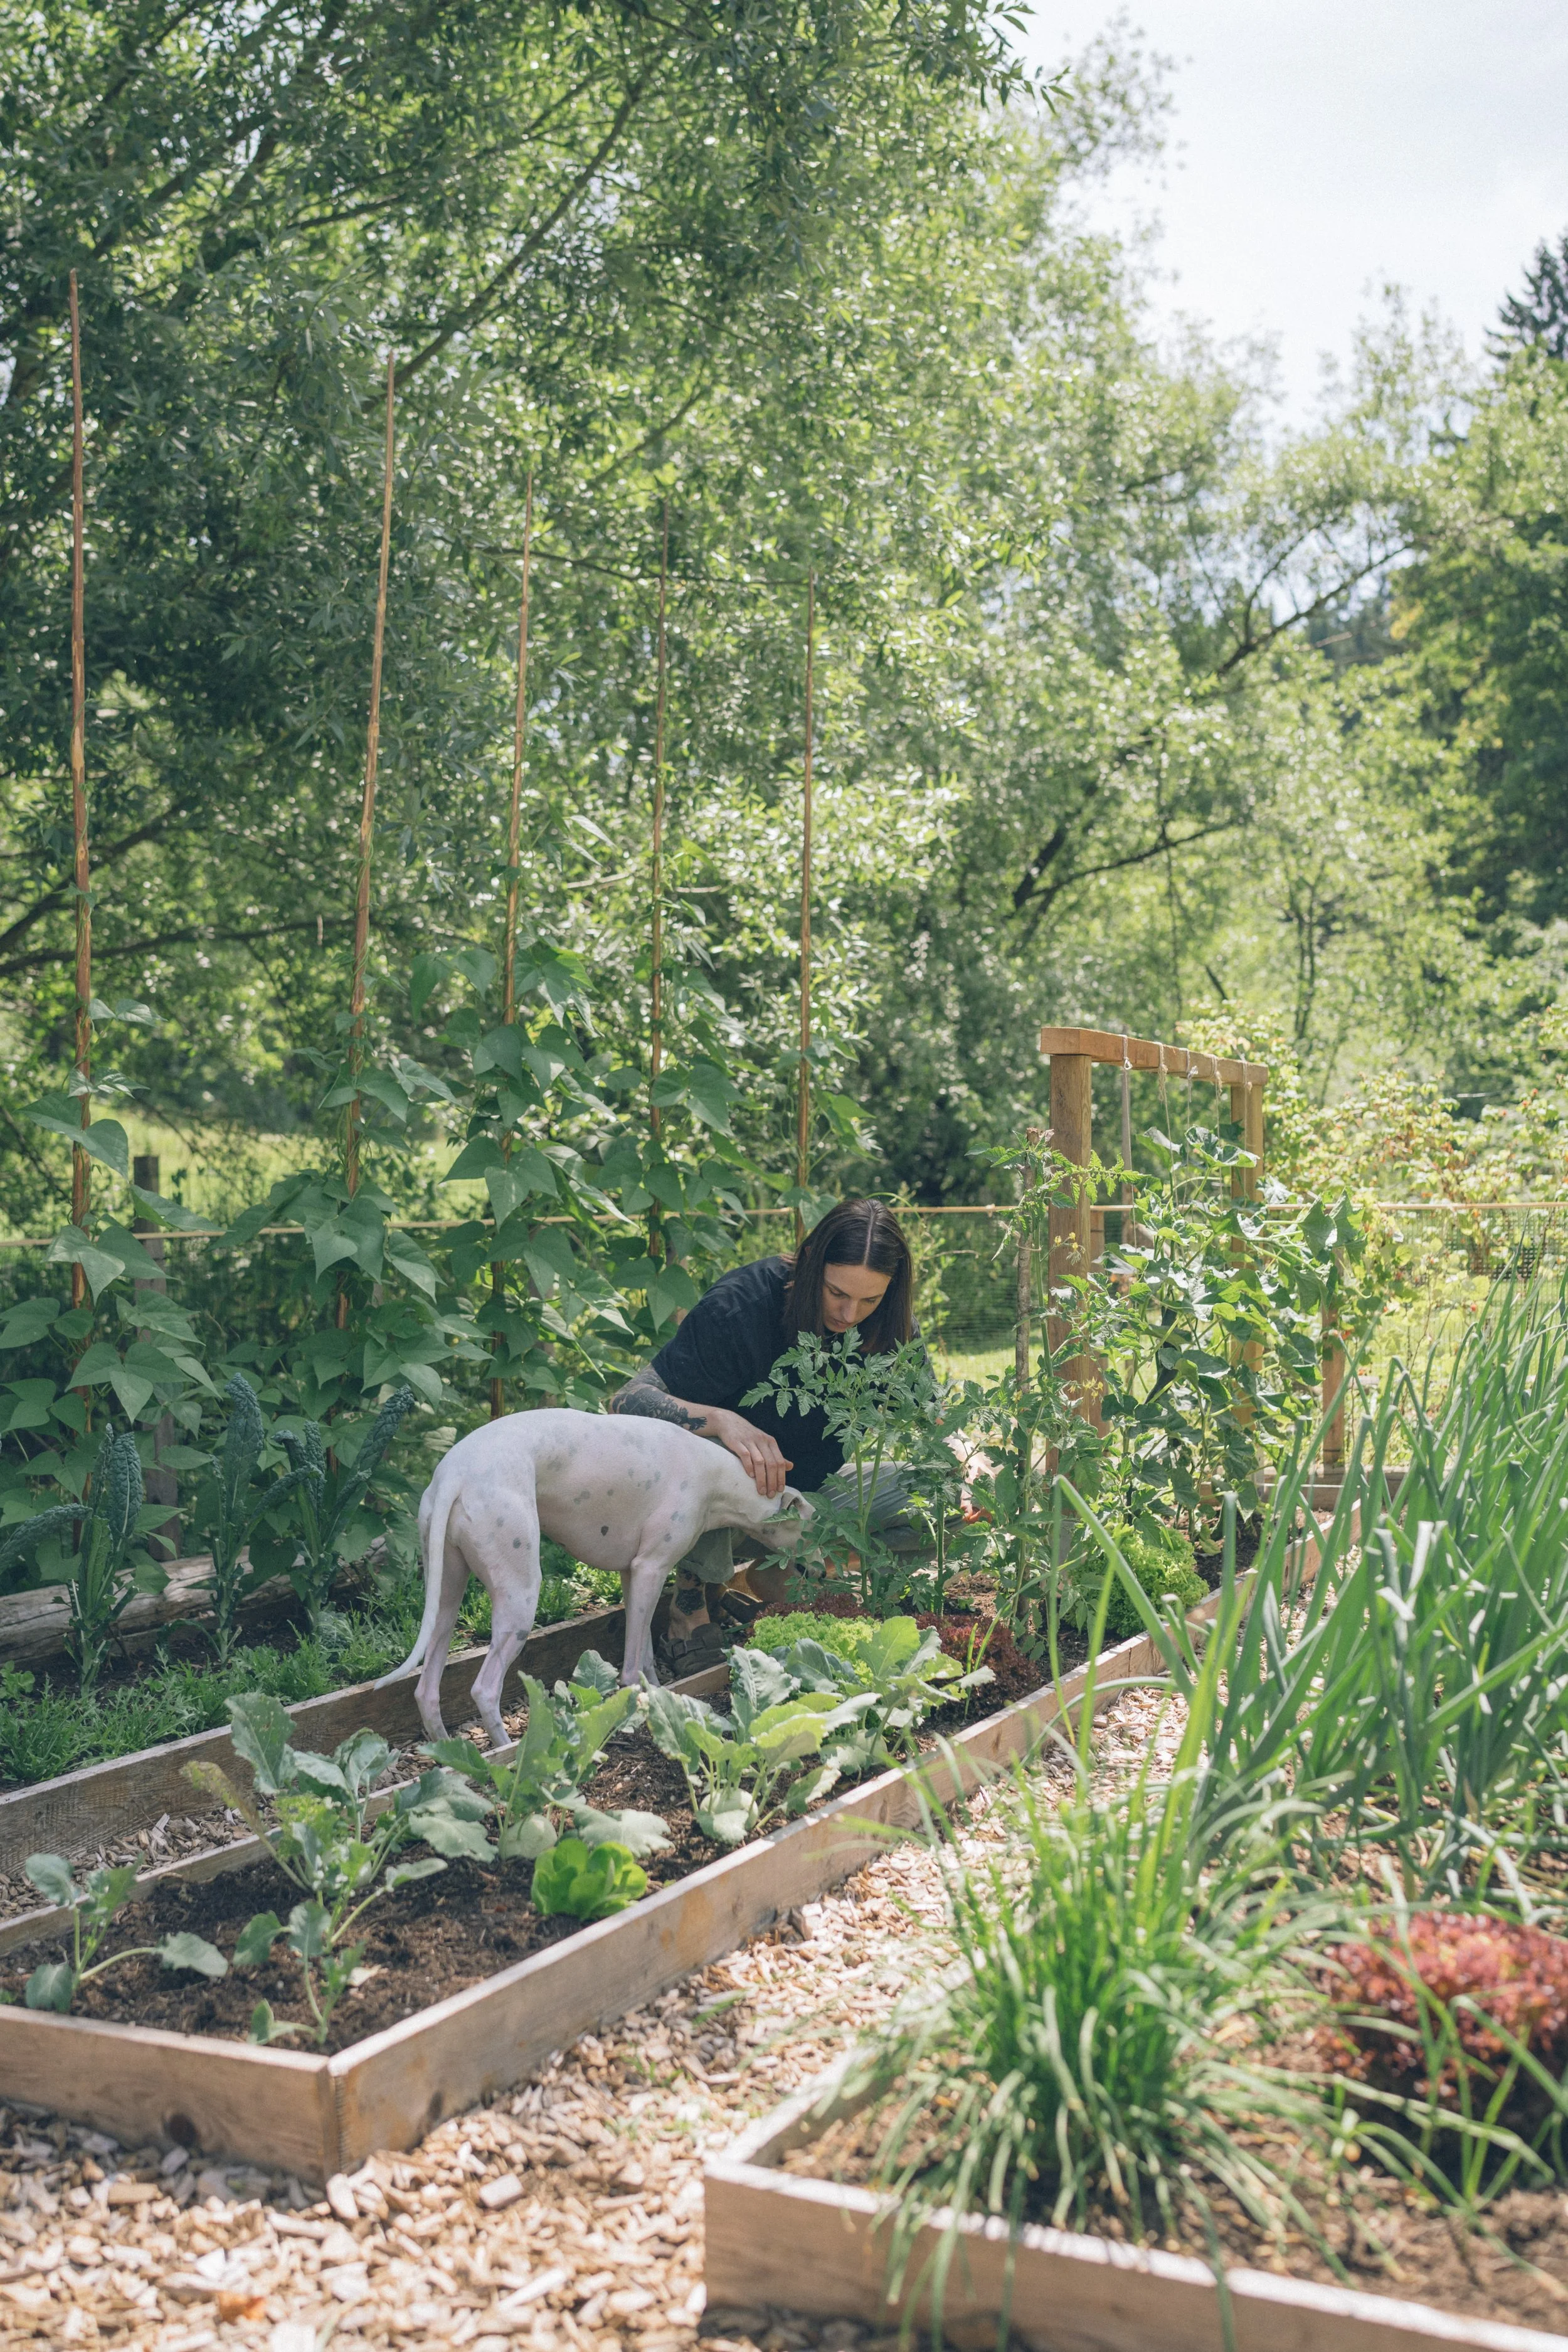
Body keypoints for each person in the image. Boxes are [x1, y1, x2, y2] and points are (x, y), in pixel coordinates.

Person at [609, 1198, 924, 1674]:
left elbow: (930, 1414)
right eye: (836, 1292)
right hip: (721, 1517)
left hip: (808, 1506)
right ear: (812, 1262)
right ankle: (689, 1611)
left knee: (943, 1492)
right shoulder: (742, 1305)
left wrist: (963, 1451)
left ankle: (783, 1572)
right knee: (707, 1451)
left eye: (870, 1300)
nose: (849, 1313)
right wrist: (722, 1420)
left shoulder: (889, 1325)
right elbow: (626, 1400)